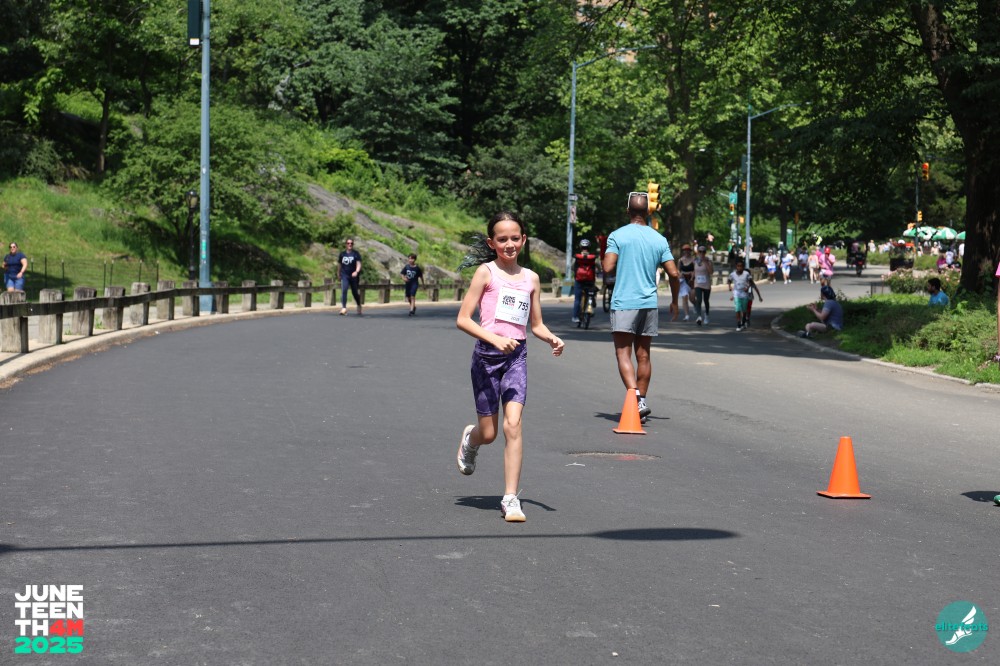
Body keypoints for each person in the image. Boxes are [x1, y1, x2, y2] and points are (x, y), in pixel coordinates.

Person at [455, 211, 564, 523]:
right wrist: (493, 339)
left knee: (513, 425)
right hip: (486, 358)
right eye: (502, 239)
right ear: (492, 243)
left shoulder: (531, 278)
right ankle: (471, 439)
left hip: (516, 357)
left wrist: (552, 338)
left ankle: (511, 497)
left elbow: (536, 324)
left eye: (515, 238)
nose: (509, 244)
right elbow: (463, 319)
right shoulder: (486, 273)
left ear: (523, 239)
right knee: (489, 433)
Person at [602, 192, 680, 424]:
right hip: (649, 304)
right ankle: (642, 400)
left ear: (628, 211)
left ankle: (636, 399)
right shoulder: (659, 239)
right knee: (643, 355)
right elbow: (674, 273)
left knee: (622, 353)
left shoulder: (618, 235)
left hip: (624, 303)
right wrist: (675, 301)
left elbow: (607, 267)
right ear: (648, 212)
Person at [728, 259, 761, 331]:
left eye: (741, 266)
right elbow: (729, 280)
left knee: (744, 310)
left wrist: (748, 287)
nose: (739, 268)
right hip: (737, 293)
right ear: (736, 267)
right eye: (738, 266)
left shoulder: (746, 274)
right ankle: (738, 323)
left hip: (745, 294)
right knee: (737, 309)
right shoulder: (733, 274)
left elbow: (751, 282)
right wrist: (729, 286)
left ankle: (743, 321)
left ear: (743, 267)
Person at [571, 239, 598, 323]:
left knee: (577, 299)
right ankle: (591, 307)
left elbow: (572, 267)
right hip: (590, 280)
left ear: (581, 247)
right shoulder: (593, 257)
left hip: (579, 280)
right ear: (589, 247)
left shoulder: (577, 257)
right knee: (592, 294)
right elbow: (599, 266)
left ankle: (575, 317)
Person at [338, 238, 363, 315]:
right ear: (346, 244)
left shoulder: (356, 254)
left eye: (351, 243)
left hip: (353, 276)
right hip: (344, 275)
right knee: (344, 290)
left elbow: (359, 264)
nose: (350, 244)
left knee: (354, 292)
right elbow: (339, 265)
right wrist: (338, 273)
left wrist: (356, 271)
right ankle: (344, 308)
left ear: (353, 244)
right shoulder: (342, 254)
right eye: (348, 243)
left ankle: (358, 304)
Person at [692, 245, 714, 326]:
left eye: (703, 252)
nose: (701, 253)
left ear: (705, 252)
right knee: (699, 300)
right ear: (698, 252)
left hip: (706, 284)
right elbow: (694, 271)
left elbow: (711, 272)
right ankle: (699, 317)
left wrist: (705, 262)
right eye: (700, 251)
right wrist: (691, 277)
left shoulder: (708, 261)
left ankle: (707, 315)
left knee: (706, 300)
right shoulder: (695, 261)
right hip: (697, 283)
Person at [676, 244, 695, 321]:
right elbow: (678, 270)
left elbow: (696, 269)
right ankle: (686, 315)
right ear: (683, 251)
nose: (686, 252)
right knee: (684, 298)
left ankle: (695, 305)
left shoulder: (693, 260)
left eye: (688, 250)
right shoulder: (680, 260)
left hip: (692, 280)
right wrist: (679, 275)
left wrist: (692, 274)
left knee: (692, 298)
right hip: (683, 280)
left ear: (690, 251)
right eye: (685, 250)